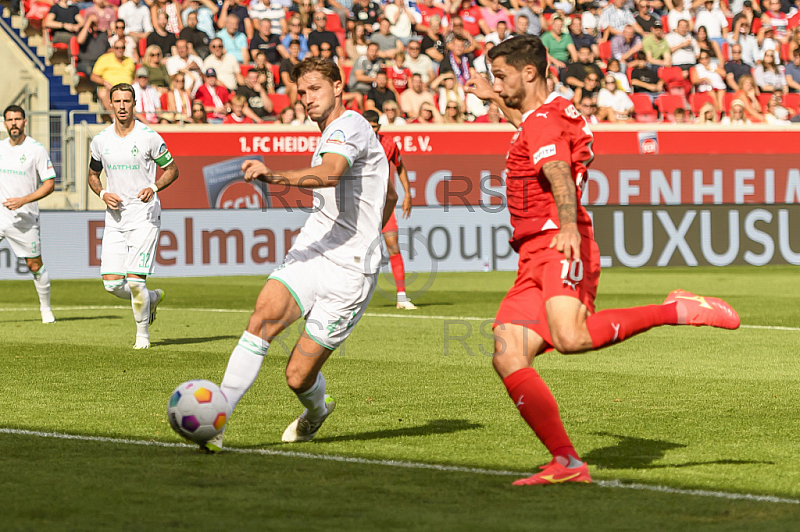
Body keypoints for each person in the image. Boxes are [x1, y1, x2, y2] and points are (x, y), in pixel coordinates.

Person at [465, 34, 739, 486]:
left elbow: (556, 173)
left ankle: (678, 309)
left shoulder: (544, 124)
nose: (496, 82)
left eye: (502, 75)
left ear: (529, 73)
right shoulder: (548, 112)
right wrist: (495, 94)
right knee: (507, 353)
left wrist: (568, 226)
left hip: (558, 243)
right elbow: (528, 124)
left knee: (570, 338)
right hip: (533, 251)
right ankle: (568, 463)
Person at [204, 57, 397, 453]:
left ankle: (316, 412)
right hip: (313, 250)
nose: (307, 98)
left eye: (315, 89)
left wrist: (273, 175)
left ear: (339, 87)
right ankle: (216, 422)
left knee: (297, 376)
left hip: (350, 273)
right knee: (262, 318)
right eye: (302, 92)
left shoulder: (351, 125)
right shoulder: (333, 131)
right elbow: (389, 194)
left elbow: (329, 174)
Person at [87, 83, 180, 349]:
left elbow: (172, 170)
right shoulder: (101, 140)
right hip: (115, 218)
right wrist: (103, 193)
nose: (122, 106)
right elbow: (93, 174)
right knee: (113, 285)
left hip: (144, 216)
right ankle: (150, 298)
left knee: (135, 279)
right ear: (111, 104)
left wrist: (154, 187)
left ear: (134, 103)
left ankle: (142, 336)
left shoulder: (149, 136)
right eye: (117, 101)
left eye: (127, 101)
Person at [0, 105, 57, 324]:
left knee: (34, 265)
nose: (13, 123)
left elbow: (50, 184)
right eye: (9, 119)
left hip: (24, 218)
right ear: (5, 123)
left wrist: (23, 200)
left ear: (25, 122)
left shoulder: (36, 149)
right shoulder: (1, 147)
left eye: (17, 119)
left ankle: (45, 308)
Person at [364, 110, 414, 308]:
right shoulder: (355, 145)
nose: (371, 130)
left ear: (379, 127)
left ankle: (401, 297)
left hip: (384, 204)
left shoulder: (388, 143)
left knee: (393, 247)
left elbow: (400, 166)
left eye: (374, 126)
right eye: (368, 126)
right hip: (363, 206)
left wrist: (408, 194)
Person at [91, 38, 136, 112]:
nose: (120, 50)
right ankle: (114, 118)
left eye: (122, 48)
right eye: (117, 48)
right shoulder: (104, 59)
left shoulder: (130, 61)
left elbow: (134, 78)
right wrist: (106, 83)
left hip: (127, 91)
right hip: (111, 90)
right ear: (113, 48)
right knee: (102, 93)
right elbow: (93, 76)